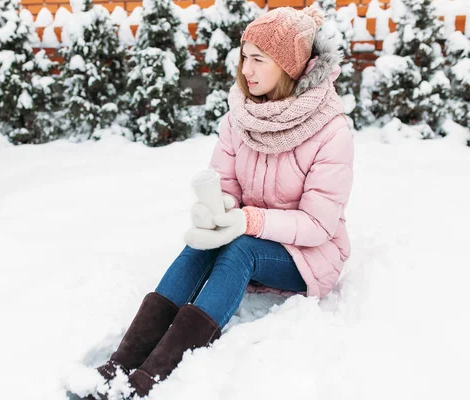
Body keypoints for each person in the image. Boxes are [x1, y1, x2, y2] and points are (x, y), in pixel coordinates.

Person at [84, 6, 353, 399]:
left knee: (241, 248)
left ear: (290, 67)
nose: (247, 70)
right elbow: (226, 183)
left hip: (308, 256)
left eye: (259, 60)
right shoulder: (240, 116)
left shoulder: (331, 131)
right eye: (245, 56)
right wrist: (215, 210)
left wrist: (246, 221)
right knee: (202, 244)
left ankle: (149, 379)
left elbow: (318, 225)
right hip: (247, 230)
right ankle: (121, 365)